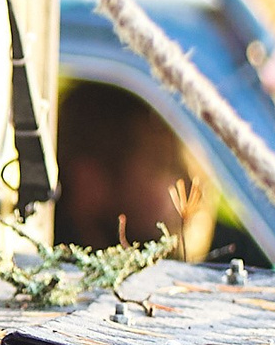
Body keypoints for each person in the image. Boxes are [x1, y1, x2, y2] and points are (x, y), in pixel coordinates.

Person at [53, 80, 211, 256]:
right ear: (89, 182)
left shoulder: (237, 246)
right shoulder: (42, 266)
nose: (193, 186)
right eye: (162, 166)